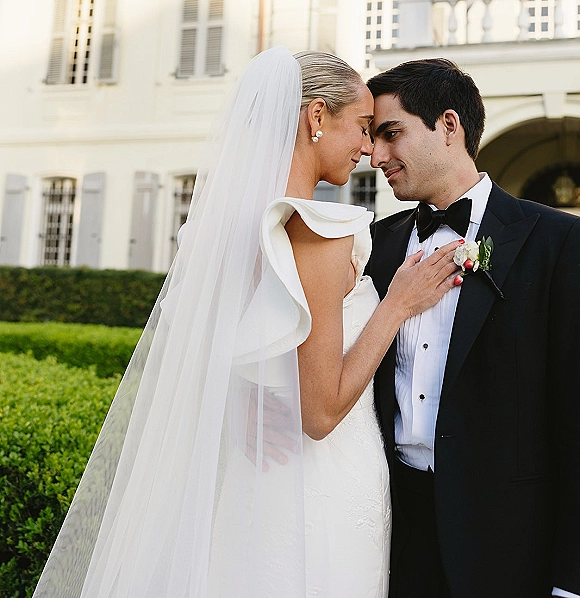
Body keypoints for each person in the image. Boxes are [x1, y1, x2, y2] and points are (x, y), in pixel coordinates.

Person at [33, 47, 460, 598]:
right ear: (314, 118)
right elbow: (321, 411)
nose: (368, 149)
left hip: (252, 480)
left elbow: (213, 354)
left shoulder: (223, 229)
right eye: (360, 127)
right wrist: (396, 305)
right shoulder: (318, 230)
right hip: (322, 483)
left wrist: (244, 402)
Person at [365, 57, 580, 598]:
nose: (375, 155)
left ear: (449, 126)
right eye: (371, 139)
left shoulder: (557, 243)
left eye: (391, 134)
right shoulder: (374, 246)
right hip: (388, 533)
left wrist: (570, 578)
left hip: (509, 543)